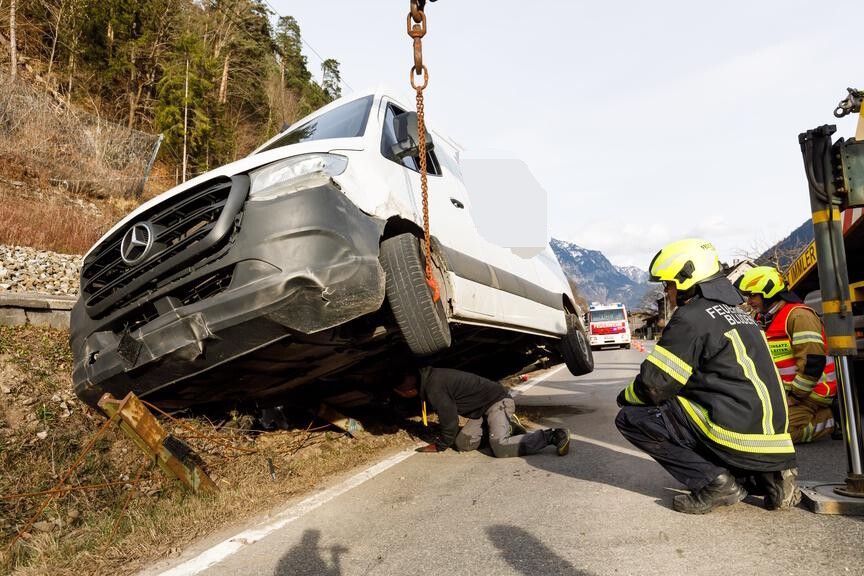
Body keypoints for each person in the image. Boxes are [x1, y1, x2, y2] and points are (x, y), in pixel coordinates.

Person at [615, 239, 798, 514]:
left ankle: (715, 483)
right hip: (776, 441)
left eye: (669, 284)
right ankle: (768, 477)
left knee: (634, 417)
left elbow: (654, 386)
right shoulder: (742, 316)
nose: (667, 291)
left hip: (735, 434)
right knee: (701, 399)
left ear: (687, 279)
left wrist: (625, 397)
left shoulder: (691, 317)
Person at [736, 265, 836, 443]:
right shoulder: (762, 319)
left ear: (769, 292)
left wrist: (795, 397)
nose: (749, 301)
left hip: (811, 395)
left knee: (777, 435)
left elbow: (813, 362)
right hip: (784, 395)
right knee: (748, 425)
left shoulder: (799, 316)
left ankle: (828, 421)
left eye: (753, 295)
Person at [393, 366, 571, 457]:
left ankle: (553, 436)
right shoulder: (428, 378)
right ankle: (504, 427)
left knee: (500, 447)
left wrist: (439, 446)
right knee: (463, 444)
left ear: (407, 391)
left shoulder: (434, 388)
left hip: (497, 402)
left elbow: (450, 421)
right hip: (480, 413)